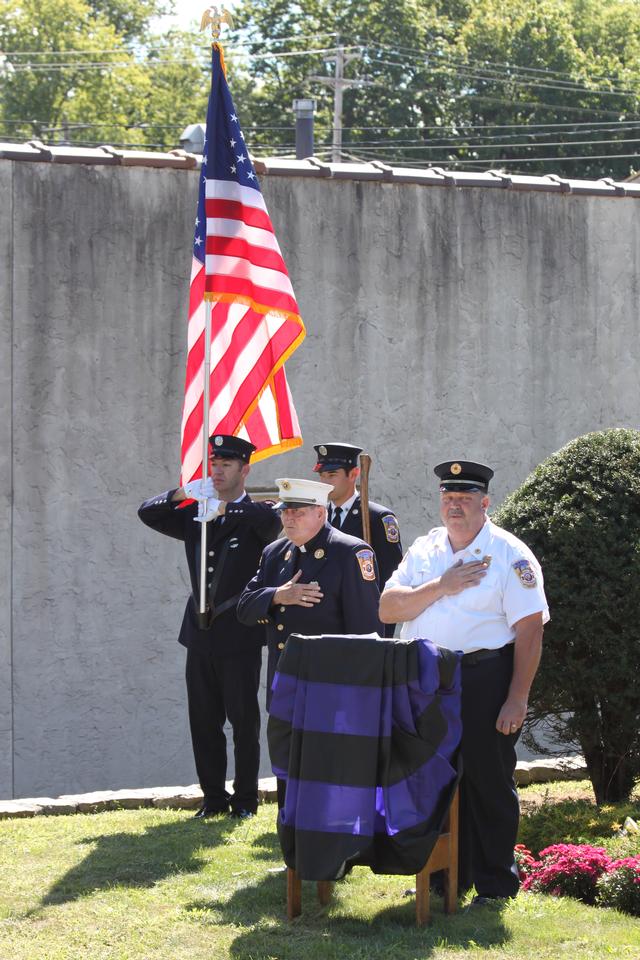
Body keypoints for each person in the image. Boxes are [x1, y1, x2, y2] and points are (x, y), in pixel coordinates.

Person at [379, 459, 548, 903]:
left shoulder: (511, 554)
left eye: (465, 498)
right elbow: (388, 608)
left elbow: (531, 630)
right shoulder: (426, 550)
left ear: (485, 502)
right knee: (433, 779)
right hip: (427, 680)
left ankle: (495, 881)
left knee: (488, 780)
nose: (454, 506)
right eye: (448, 497)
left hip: (483, 678)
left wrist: (517, 698)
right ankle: (442, 875)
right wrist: (441, 585)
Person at [138, 434, 280, 819]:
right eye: (214, 464)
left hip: (238, 632)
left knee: (243, 720)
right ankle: (213, 800)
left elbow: (270, 522)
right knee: (203, 721)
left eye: (226, 465)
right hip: (199, 632)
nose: (217, 471)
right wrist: (182, 493)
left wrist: (224, 510)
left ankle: (246, 801)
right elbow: (147, 513)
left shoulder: (255, 516)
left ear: (244, 469)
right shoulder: (194, 512)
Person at [237, 477, 383, 705]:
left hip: (330, 687)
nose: (289, 519)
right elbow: (244, 609)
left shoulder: (349, 552)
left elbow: (366, 630)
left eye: (298, 512)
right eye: (285, 512)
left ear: (320, 513)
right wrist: (278, 595)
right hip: (283, 685)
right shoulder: (274, 553)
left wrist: (361, 693)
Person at [313, 442, 403, 636]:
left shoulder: (377, 518)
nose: (324, 482)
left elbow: (390, 577)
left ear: (353, 474)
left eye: (332, 475)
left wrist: (382, 628)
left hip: (364, 622)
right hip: (326, 623)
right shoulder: (317, 517)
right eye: (321, 476)